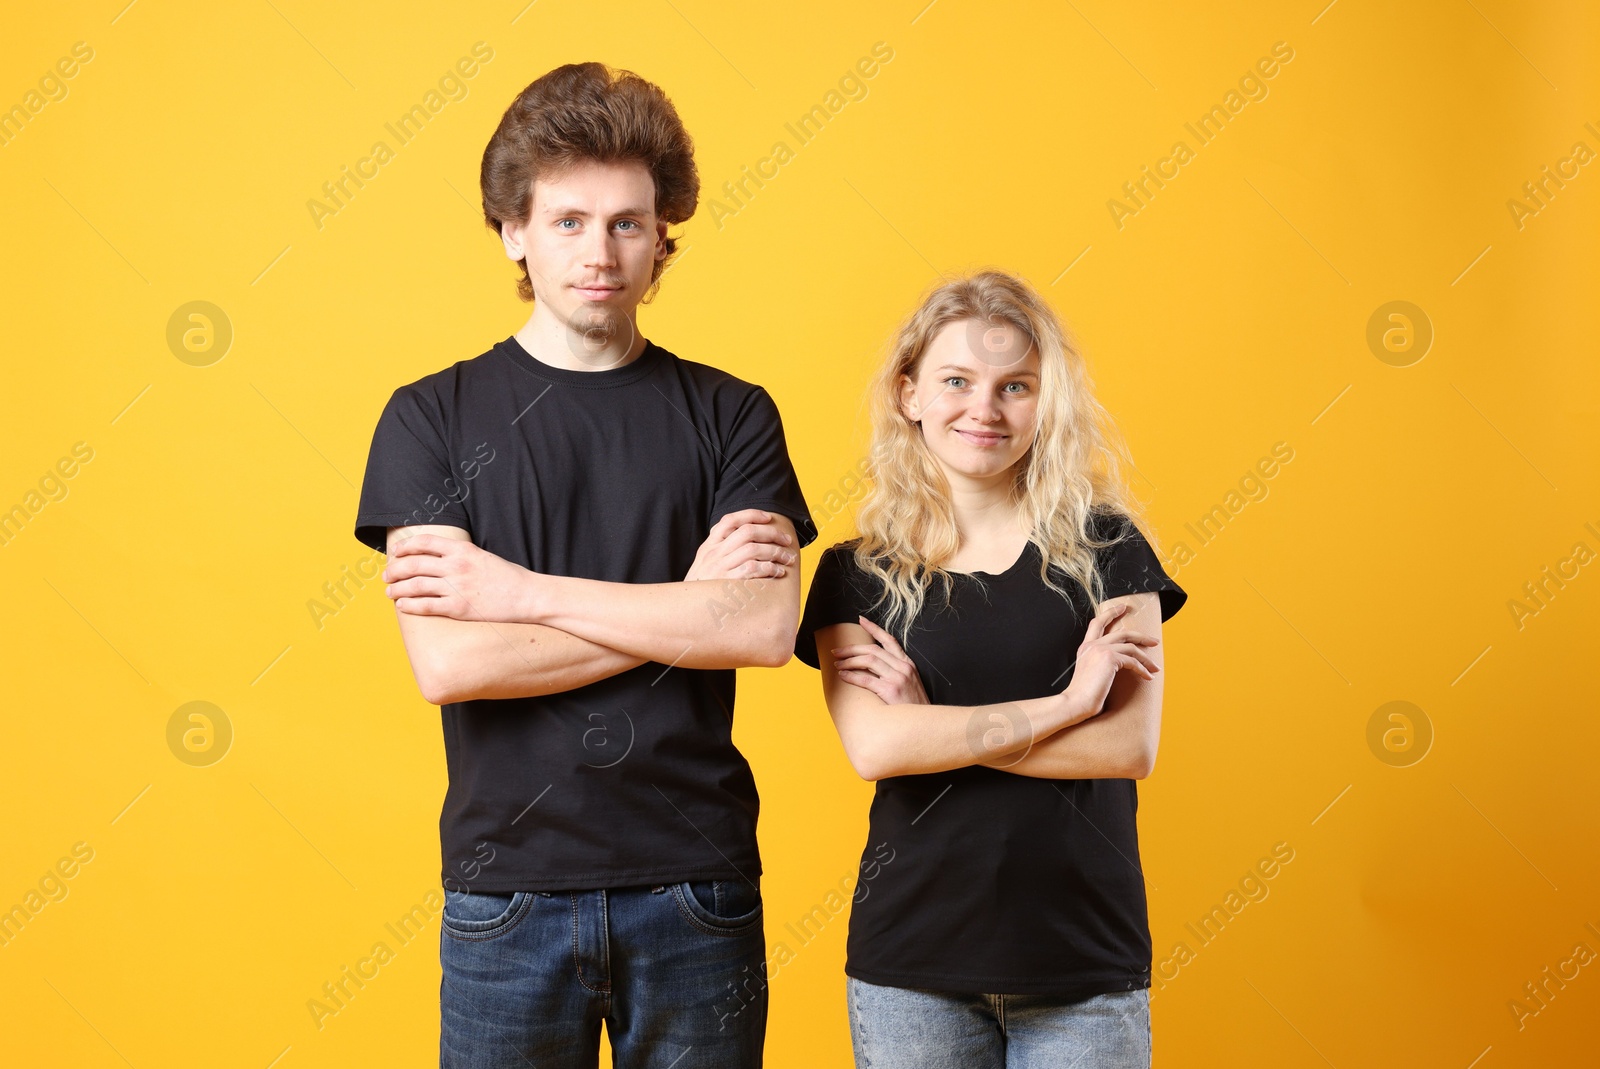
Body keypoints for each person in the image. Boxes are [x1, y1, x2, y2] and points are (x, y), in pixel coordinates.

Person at [353, 62, 815, 1067]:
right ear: (513, 231)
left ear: (662, 240)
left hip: (695, 885)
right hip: (504, 892)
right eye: (567, 222)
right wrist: (687, 611)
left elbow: (763, 630)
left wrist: (518, 596)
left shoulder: (734, 413)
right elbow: (451, 666)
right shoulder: (429, 417)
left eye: (626, 224)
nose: (598, 253)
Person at [794, 270, 1187, 1068]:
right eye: (956, 381)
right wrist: (1073, 702)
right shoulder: (855, 575)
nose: (985, 408)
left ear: (1048, 404)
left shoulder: (1112, 553)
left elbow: (1128, 750)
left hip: (1086, 965)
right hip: (915, 966)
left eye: (1016, 386)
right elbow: (875, 749)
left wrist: (933, 729)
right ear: (910, 395)